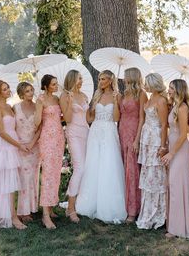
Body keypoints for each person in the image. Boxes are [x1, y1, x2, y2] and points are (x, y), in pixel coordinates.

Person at [76, 70, 127, 223]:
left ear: (111, 80)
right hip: (96, 130)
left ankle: (108, 204)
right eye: (99, 78)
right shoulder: (96, 95)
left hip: (110, 130)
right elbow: (89, 118)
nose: (101, 81)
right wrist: (89, 108)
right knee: (93, 164)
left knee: (108, 164)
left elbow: (117, 118)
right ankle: (89, 201)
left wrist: (116, 102)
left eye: (104, 79)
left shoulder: (117, 96)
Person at [0, 80, 28, 237]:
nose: (9, 90)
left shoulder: (10, 107)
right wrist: (18, 145)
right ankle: (13, 217)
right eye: (5, 89)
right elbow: (2, 133)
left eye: (8, 87)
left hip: (14, 144)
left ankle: (12, 214)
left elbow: (14, 127)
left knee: (11, 183)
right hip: (3, 147)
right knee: (6, 183)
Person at [136, 73, 168, 230]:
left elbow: (163, 125)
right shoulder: (149, 99)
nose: (145, 85)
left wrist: (163, 146)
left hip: (155, 140)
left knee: (155, 174)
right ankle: (147, 210)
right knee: (147, 173)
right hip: (147, 140)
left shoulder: (161, 100)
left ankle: (158, 213)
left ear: (154, 84)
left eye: (147, 83)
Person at [161, 79, 189, 239]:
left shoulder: (182, 107)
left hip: (180, 149)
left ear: (179, 90)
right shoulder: (174, 106)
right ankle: (172, 224)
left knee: (177, 185)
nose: (169, 90)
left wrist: (172, 153)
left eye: (172, 88)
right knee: (172, 185)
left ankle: (178, 228)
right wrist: (166, 147)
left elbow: (183, 134)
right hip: (173, 147)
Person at [35, 74, 65, 229]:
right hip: (47, 138)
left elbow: (61, 117)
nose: (56, 86)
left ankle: (51, 207)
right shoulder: (40, 99)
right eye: (53, 84)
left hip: (59, 137)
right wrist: (38, 108)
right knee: (47, 173)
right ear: (46, 86)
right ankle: (45, 215)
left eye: (56, 83)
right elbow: (36, 122)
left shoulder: (57, 99)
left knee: (55, 173)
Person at [118, 67, 147, 223]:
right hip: (122, 132)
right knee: (123, 168)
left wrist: (137, 140)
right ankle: (123, 205)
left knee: (133, 171)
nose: (123, 78)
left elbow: (143, 118)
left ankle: (133, 210)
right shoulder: (124, 94)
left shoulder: (141, 94)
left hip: (133, 132)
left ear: (131, 77)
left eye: (125, 76)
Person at [60, 70, 89, 223]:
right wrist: (70, 102)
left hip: (87, 133)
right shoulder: (65, 96)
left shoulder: (84, 96)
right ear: (72, 80)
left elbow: (88, 116)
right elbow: (68, 118)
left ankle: (81, 202)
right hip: (74, 133)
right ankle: (70, 208)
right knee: (79, 168)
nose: (81, 81)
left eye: (82, 78)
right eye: (79, 78)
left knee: (87, 168)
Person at [14, 82, 40, 223]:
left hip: (34, 147)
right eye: (27, 91)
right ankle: (23, 212)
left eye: (31, 90)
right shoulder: (15, 108)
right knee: (23, 178)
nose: (30, 93)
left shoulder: (38, 107)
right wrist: (18, 144)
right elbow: (10, 127)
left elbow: (40, 127)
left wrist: (32, 143)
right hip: (20, 147)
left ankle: (31, 208)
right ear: (21, 94)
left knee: (32, 177)